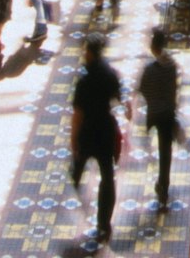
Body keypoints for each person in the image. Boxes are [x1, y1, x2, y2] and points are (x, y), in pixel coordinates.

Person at [71, 32, 129, 243]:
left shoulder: (84, 81)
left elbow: (78, 114)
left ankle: (74, 189)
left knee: (78, 166)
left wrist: (73, 139)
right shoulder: (110, 73)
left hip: (87, 131)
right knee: (107, 176)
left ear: (90, 52)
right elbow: (121, 99)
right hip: (105, 130)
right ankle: (104, 222)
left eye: (85, 50)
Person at [135, 27, 180, 210]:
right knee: (165, 152)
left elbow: (143, 89)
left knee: (153, 147)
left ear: (153, 47)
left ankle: (160, 184)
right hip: (168, 114)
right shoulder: (172, 65)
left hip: (155, 113)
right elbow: (174, 88)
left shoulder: (150, 69)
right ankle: (163, 186)